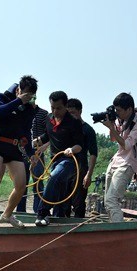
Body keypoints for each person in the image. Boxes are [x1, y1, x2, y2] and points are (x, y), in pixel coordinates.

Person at [0, 75, 38, 228]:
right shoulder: (2, 97)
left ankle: (7, 214)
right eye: (26, 94)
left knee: (21, 184)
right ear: (18, 89)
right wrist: (19, 100)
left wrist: (31, 154)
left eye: (31, 96)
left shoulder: (28, 109)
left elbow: (25, 133)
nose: (28, 98)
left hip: (14, 147)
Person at [33, 91, 83, 226]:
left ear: (66, 106)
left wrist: (71, 149)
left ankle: (41, 213)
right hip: (54, 161)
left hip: (69, 162)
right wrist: (36, 141)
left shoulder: (74, 123)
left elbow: (80, 146)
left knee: (54, 178)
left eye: (58, 108)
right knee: (59, 190)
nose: (55, 111)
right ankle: (57, 220)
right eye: (52, 108)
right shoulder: (49, 119)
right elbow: (47, 136)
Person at [102, 93, 137, 222]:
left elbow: (127, 145)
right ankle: (114, 229)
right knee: (108, 201)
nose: (116, 113)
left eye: (119, 110)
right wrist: (112, 125)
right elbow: (113, 139)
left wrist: (111, 127)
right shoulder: (120, 119)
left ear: (129, 109)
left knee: (112, 200)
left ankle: (118, 233)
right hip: (116, 160)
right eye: (115, 110)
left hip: (129, 162)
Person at [66, 98, 98, 218]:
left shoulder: (88, 130)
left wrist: (88, 175)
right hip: (65, 168)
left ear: (80, 111)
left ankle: (78, 229)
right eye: (68, 113)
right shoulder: (65, 128)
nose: (70, 115)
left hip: (80, 168)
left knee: (78, 202)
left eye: (73, 112)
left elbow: (93, 153)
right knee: (63, 202)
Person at [16, 97, 49, 213]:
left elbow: (50, 134)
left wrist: (44, 146)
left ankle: (38, 211)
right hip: (21, 154)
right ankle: (20, 212)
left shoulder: (44, 114)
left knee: (38, 184)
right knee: (21, 184)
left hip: (37, 154)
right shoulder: (20, 111)